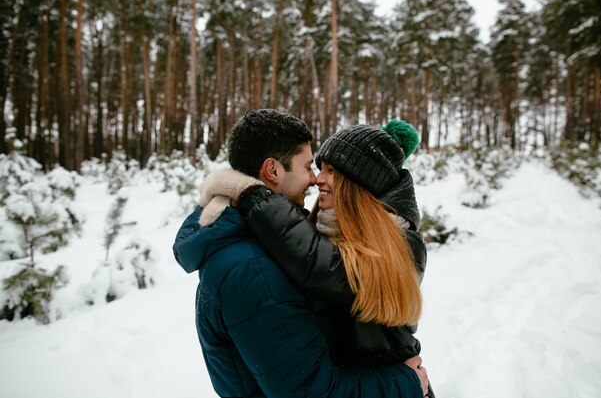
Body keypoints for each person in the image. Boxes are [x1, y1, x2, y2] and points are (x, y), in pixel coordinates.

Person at [172, 109, 429, 398]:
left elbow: (323, 264)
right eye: (309, 167)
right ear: (273, 171)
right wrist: (405, 384)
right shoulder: (253, 268)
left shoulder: (370, 247)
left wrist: (251, 195)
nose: (315, 179)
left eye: (328, 171)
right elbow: (312, 392)